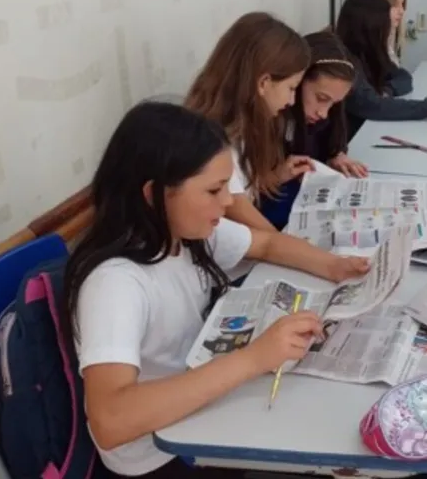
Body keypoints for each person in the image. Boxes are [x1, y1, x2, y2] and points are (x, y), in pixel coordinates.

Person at [64, 101, 371, 478]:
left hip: (199, 404)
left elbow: (267, 244)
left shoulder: (183, 234)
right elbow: (111, 420)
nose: (228, 202)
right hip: (159, 454)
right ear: (154, 194)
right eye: (214, 190)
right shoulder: (115, 284)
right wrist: (254, 358)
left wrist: (335, 266)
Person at [185, 12, 312, 235]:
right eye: (291, 88)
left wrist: (277, 176)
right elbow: (258, 230)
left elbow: (243, 188)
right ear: (264, 83)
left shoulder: (242, 126)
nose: (292, 101)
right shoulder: (213, 143)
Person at [258, 31, 368, 229]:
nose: (324, 113)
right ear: (297, 81)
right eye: (322, 99)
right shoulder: (270, 117)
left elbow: (331, 140)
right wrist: (275, 178)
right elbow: (246, 193)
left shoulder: (320, 114)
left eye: (333, 104)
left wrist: (336, 154)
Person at [336, 0, 427, 139]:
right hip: (353, 141)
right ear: (371, 30)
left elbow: (403, 76)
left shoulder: (369, 53)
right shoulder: (344, 63)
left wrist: (387, 91)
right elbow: (376, 106)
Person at [363, 0, 408, 67]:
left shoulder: (390, 36)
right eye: (395, 5)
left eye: (402, 4)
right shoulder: (362, 47)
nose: (402, 11)